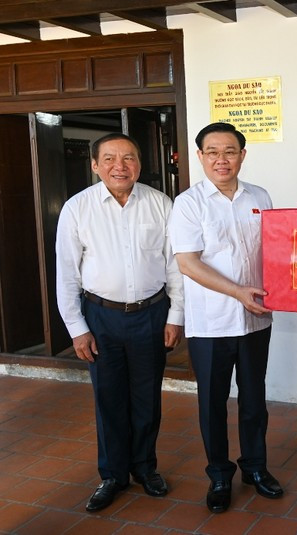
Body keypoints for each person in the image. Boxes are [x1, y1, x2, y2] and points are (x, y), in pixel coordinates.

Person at [55, 133, 184, 512]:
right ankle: (112, 474)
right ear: (95, 165)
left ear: (139, 164)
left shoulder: (161, 204)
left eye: (128, 158)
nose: (119, 166)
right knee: (109, 398)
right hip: (100, 317)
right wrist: (77, 327)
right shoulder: (77, 208)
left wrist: (175, 315)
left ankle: (145, 467)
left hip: (151, 313)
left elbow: (175, 265)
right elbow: (67, 273)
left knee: (147, 397)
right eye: (109, 158)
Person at [168, 122, 282, 514]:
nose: (222, 159)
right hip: (211, 324)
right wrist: (237, 292)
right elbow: (187, 263)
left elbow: (276, 251)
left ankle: (255, 467)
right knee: (212, 403)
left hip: (256, 321)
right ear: (199, 157)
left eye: (230, 151)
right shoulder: (188, 203)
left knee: (254, 400)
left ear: (242, 156)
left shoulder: (260, 196)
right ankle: (219, 474)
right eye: (212, 152)